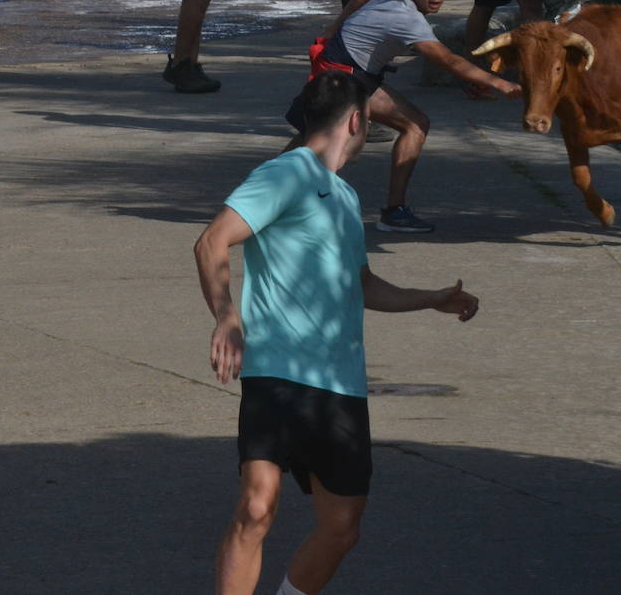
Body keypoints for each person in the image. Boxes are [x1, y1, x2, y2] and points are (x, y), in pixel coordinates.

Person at [197, 69, 480, 595]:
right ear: (357, 121)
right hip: (276, 372)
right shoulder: (285, 174)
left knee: (342, 527)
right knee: (257, 506)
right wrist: (226, 315)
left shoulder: (346, 199)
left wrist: (430, 298)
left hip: (340, 385)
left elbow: (362, 286)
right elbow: (213, 240)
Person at [286, 0, 519, 233]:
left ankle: (393, 211)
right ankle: (291, 209)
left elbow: (358, 0)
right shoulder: (408, 19)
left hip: (353, 69)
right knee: (333, 146)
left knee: (409, 125)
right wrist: (500, 83)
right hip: (342, 73)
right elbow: (449, 60)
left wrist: (327, 34)